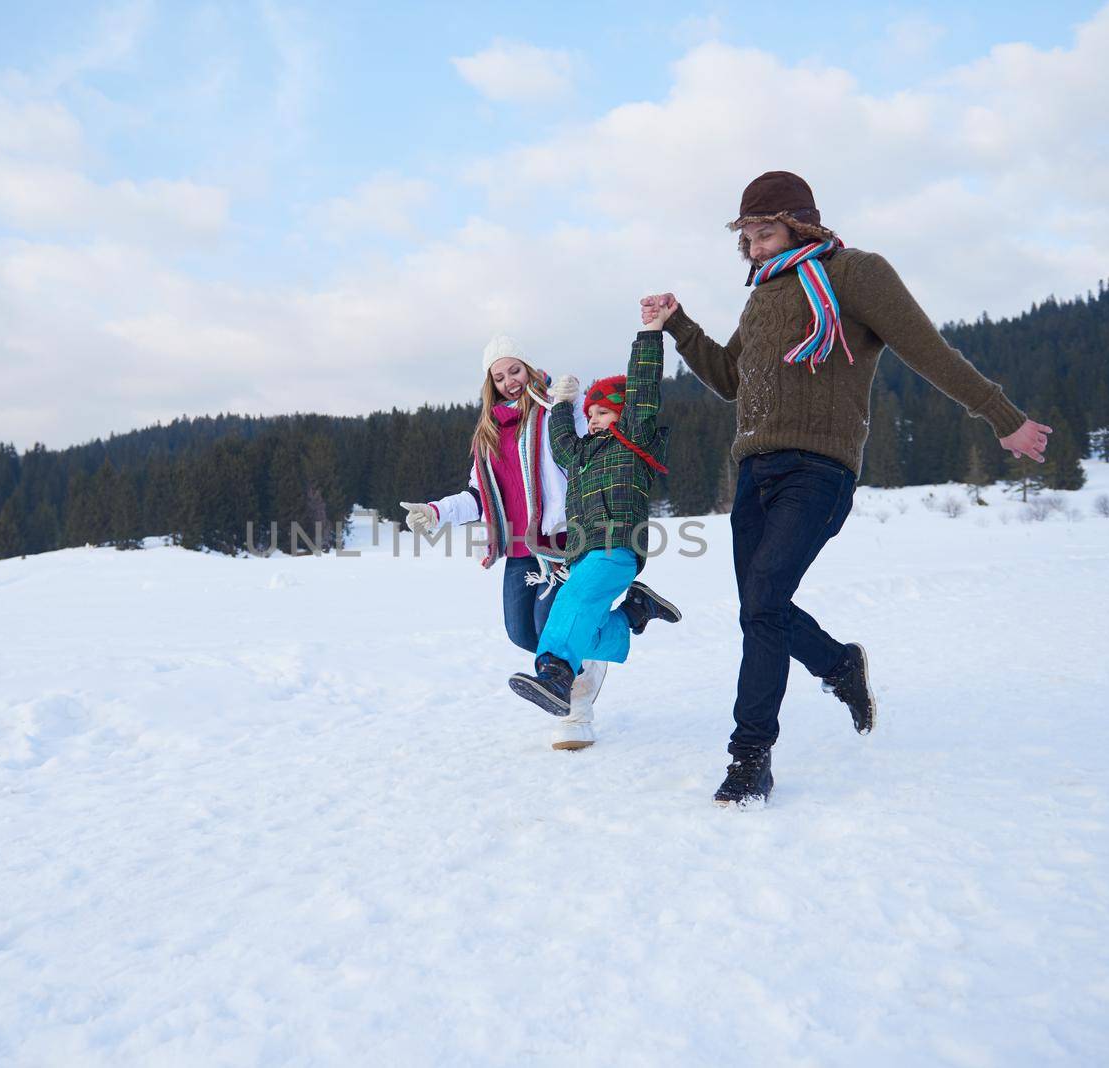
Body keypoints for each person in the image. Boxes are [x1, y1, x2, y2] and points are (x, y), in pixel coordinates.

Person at [640, 170, 1052, 809]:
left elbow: (927, 350)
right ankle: (838, 665)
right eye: (745, 233)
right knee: (761, 608)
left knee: (765, 599)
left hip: (819, 471)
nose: (753, 242)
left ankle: (750, 757)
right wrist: (679, 325)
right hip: (754, 471)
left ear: (801, 224)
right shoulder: (762, 296)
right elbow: (728, 377)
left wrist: (1003, 418)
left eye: (766, 228)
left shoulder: (855, 273)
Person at [399, 335, 607, 750]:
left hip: (561, 540)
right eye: (499, 376)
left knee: (551, 629)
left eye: (515, 370)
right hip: (518, 548)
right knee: (520, 632)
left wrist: (574, 402)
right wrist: (437, 511)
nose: (509, 381)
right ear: (490, 384)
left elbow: (588, 450)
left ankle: (575, 711)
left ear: (529, 368)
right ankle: (589, 658)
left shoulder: (555, 413)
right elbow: (479, 495)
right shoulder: (489, 433)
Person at [507, 317, 683, 717]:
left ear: (624, 415)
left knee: (572, 601)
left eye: (605, 411)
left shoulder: (635, 443)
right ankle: (635, 611)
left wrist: (651, 333)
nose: (597, 418)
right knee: (585, 627)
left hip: (618, 546)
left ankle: (555, 673)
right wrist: (563, 406)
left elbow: (643, 389)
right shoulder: (582, 456)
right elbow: (562, 442)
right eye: (593, 413)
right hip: (585, 553)